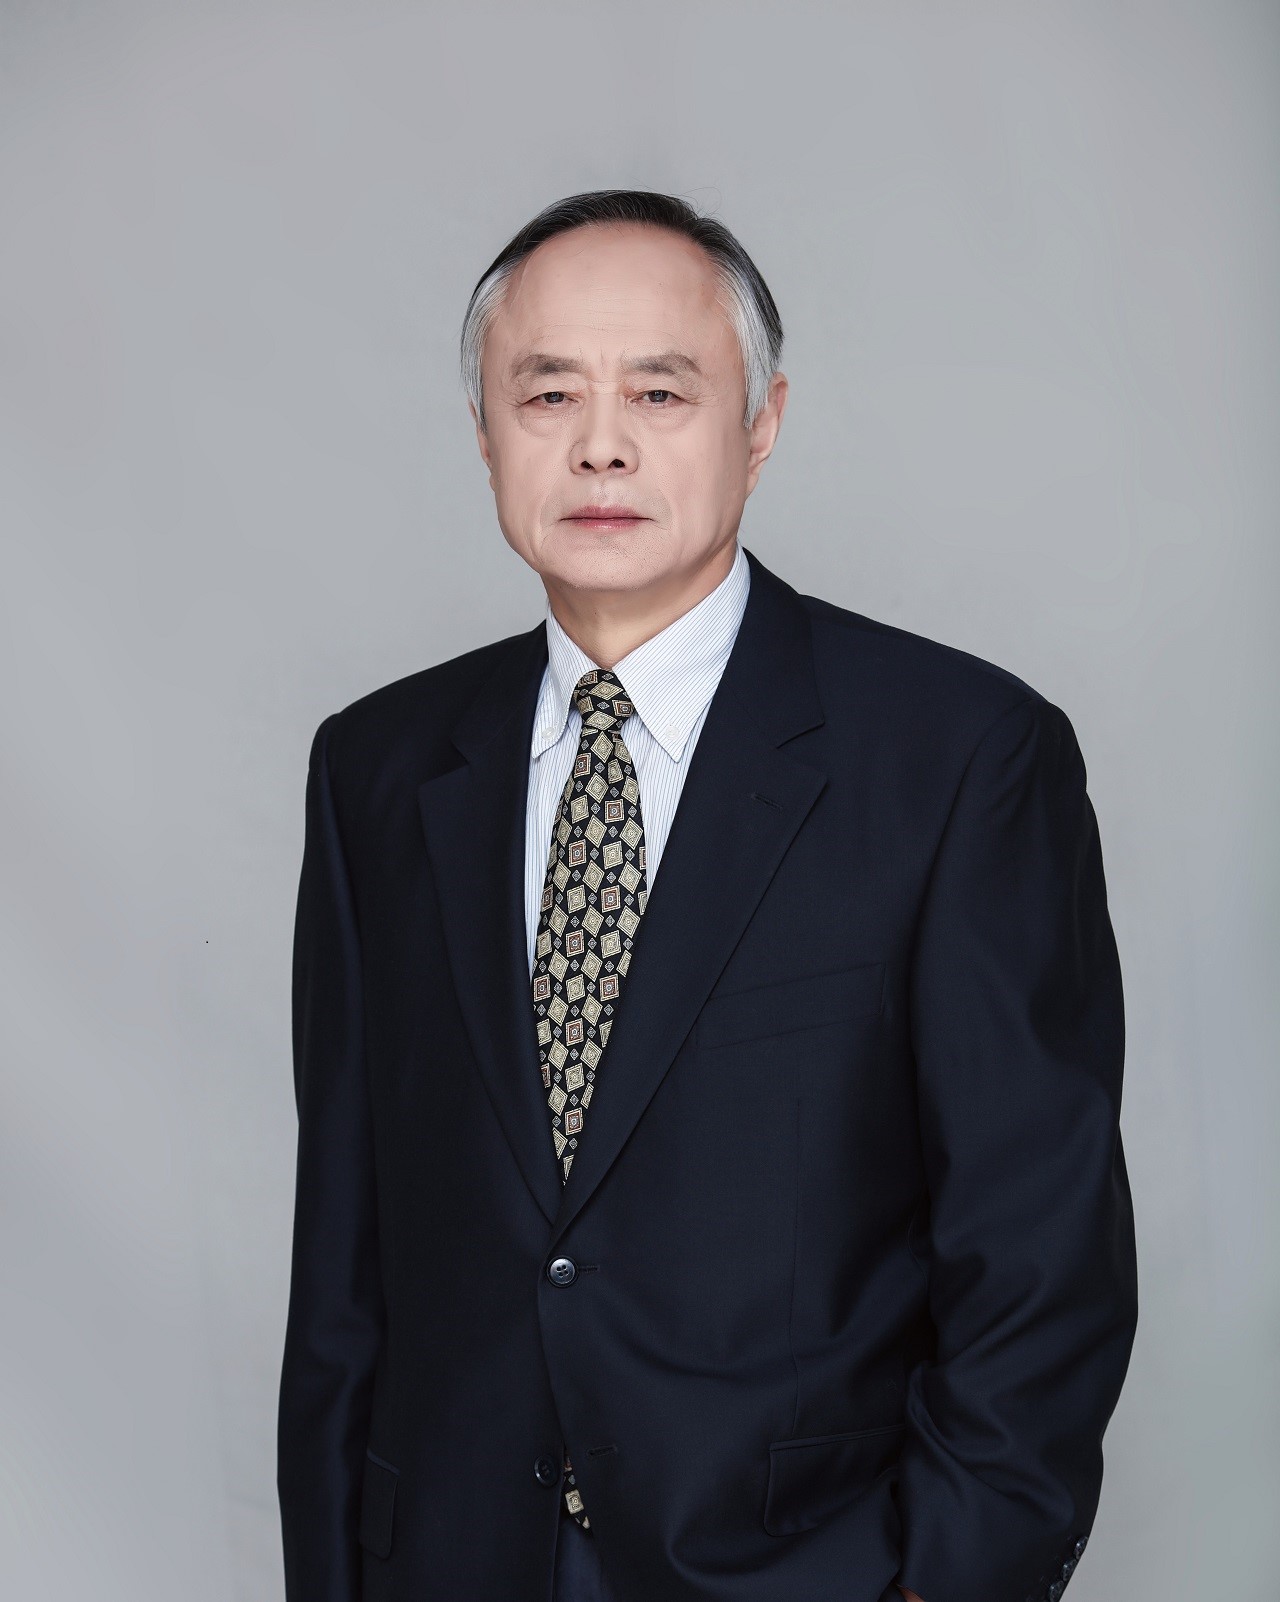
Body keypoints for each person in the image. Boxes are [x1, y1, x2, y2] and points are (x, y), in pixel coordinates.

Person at [277, 189, 1138, 1602]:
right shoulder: (380, 767)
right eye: (547, 392)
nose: (600, 443)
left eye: (661, 391)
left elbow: (1040, 1258)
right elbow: (343, 1271)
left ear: (762, 424)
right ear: (486, 432)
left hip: (807, 1568)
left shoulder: (959, 759)